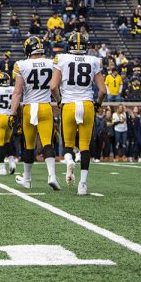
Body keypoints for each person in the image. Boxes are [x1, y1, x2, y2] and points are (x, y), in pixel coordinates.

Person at [51, 32, 106, 195]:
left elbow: (53, 86)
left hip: (69, 104)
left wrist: (59, 101)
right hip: (87, 104)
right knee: (84, 146)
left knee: (67, 143)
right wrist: (97, 104)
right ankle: (82, 185)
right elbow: (103, 90)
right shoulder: (93, 60)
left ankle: (68, 160)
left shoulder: (62, 58)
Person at [10, 36, 60, 190]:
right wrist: (59, 100)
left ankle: (27, 179)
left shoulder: (21, 65)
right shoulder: (52, 63)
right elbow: (55, 86)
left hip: (29, 108)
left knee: (29, 145)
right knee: (47, 142)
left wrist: (12, 113)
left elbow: (17, 93)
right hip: (45, 107)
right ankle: (52, 175)